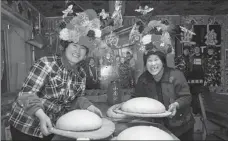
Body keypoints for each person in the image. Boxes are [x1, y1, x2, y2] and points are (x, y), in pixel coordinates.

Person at [8, 9, 103, 141]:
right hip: (25, 125)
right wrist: (41, 116)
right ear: (65, 46)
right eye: (74, 45)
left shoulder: (81, 74)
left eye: (83, 48)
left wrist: (89, 106)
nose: (78, 51)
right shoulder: (46, 63)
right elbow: (26, 94)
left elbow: (74, 100)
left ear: (86, 54)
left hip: (51, 127)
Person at [133, 46, 195, 140]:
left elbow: (187, 97)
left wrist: (176, 104)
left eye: (156, 59)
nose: (153, 64)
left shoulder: (176, 75)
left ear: (162, 61)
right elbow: (137, 99)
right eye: (149, 60)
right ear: (145, 64)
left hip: (182, 126)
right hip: (157, 128)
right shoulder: (143, 79)